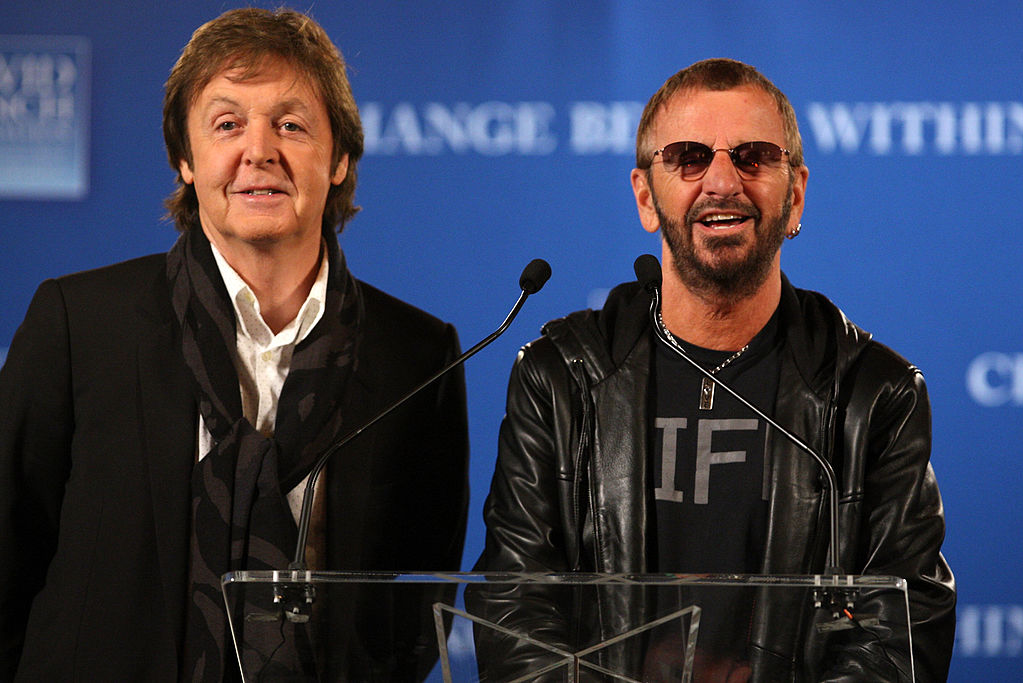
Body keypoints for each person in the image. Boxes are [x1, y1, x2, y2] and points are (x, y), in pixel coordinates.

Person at [0, 8, 468, 681]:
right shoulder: (79, 323)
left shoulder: (418, 355)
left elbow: (418, 605)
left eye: (291, 124)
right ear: (185, 160)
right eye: (227, 124)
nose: (259, 151)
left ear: (338, 159)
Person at [472, 59, 955, 681]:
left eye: (753, 156)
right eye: (690, 157)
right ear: (647, 196)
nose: (722, 182)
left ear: (796, 194)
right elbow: (514, 610)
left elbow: (902, 630)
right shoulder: (561, 379)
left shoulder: (873, 393)